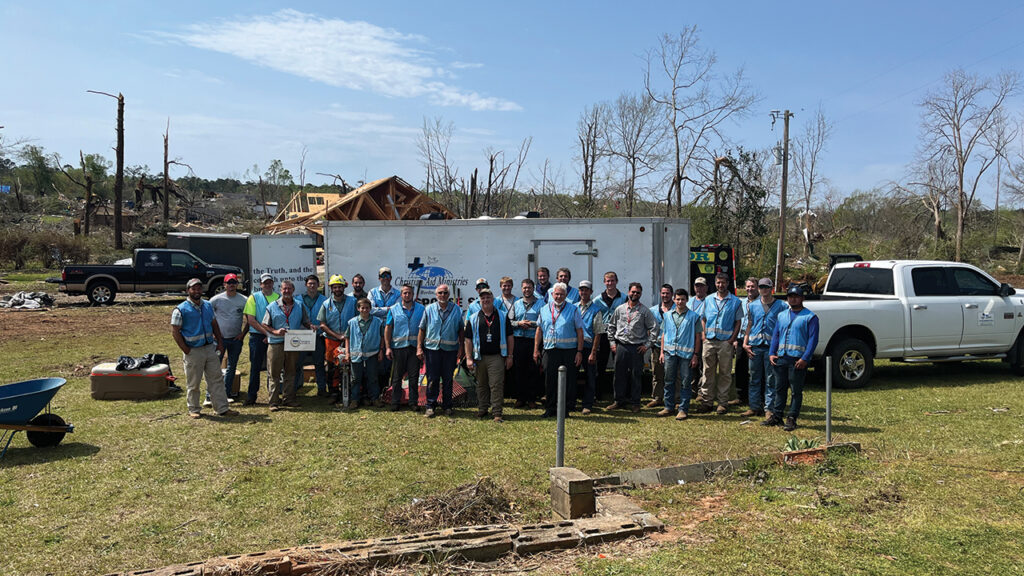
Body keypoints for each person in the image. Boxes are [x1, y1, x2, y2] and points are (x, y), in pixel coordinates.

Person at [171, 278, 238, 419]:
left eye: (199, 288)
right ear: (187, 290)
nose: (197, 291)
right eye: (193, 288)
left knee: (216, 379)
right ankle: (194, 409)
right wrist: (186, 349)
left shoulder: (207, 305)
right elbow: (175, 331)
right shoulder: (180, 309)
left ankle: (222, 408)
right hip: (193, 350)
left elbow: (214, 325)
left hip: (209, 348)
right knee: (194, 382)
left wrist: (219, 342)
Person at [768, 285, 820, 431]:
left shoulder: (810, 317)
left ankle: (792, 417)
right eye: (790, 296)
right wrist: (772, 352)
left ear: (802, 298)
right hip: (782, 357)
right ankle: (777, 415)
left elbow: (813, 339)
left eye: (796, 296)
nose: (793, 299)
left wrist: (805, 358)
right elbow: (776, 335)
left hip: (797, 360)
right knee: (780, 388)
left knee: (796, 390)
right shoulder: (782, 315)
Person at [534, 282, 585, 418]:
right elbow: (539, 330)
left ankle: (566, 409)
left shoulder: (573, 309)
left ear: (566, 295)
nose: (558, 296)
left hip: (569, 351)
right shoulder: (544, 309)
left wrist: (579, 352)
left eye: (562, 294)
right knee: (550, 380)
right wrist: (536, 350)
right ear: (552, 294)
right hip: (550, 350)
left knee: (568, 381)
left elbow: (580, 331)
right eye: (556, 294)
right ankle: (550, 408)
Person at [696, 273, 744, 415]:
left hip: (725, 342)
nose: (720, 285)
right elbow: (703, 319)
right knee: (707, 372)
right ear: (715, 283)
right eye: (718, 283)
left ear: (727, 283)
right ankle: (707, 402)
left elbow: (738, 322)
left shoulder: (735, 301)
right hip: (709, 341)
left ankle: (722, 403)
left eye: (723, 282)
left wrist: (732, 340)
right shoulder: (709, 299)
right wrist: (704, 336)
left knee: (725, 373)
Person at [261, 279, 312, 411]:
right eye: (284, 289)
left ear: (293, 290)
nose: (287, 291)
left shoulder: (300, 305)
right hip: (276, 344)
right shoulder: (272, 306)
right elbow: (264, 324)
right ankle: (273, 402)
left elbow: (305, 321)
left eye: (289, 289)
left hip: (293, 343)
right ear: (280, 290)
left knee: (291, 372)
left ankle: (288, 399)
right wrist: (275, 332)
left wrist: (310, 326)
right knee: (274, 373)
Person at [464, 288, 514, 422]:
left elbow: (510, 336)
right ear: (479, 301)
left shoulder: (502, 316)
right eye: (483, 298)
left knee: (496, 384)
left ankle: (497, 412)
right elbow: (468, 339)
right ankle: (483, 409)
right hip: (479, 357)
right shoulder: (473, 318)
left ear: (493, 299)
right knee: (481, 385)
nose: (485, 300)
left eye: (488, 298)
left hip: (497, 357)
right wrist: (469, 358)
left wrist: (510, 356)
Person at [606, 282, 657, 412]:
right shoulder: (620, 309)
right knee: (619, 375)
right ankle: (619, 401)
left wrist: (647, 345)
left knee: (636, 376)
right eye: (633, 292)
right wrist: (612, 343)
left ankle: (635, 403)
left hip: (637, 348)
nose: (635, 294)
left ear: (640, 294)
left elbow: (655, 328)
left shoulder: (644, 311)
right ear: (628, 292)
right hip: (621, 346)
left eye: (638, 292)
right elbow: (611, 327)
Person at [417, 283, 464, 418]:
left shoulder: (457, 310)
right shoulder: (429, 309)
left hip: (450, 351)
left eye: (445, 293)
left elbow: (461, 330)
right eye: (440, 293)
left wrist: (461, 348)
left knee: (448, 379)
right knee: (432, 379)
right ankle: (430, 406)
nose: (442, 295)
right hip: (432, 351)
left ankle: (447, 406)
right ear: (436, 295)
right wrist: (419, 347)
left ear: (449, 295)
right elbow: (422, 329)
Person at [743, 278, 787, 420]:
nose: (764, 290)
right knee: (754, 378)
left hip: (771, 348)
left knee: (770, 379)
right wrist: (745, 342)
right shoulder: (753, 306)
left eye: (766, 287)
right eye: (761, 287)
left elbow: (784, 326)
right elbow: (749, 324)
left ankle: (769, 408)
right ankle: (754, 406)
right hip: (755, 346)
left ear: (771, 288)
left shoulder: (781, 306)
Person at [660, 289, 703, 420]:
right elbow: (663, 334)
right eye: (677, 299)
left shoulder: (694, 317)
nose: (680, 302)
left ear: (687, 300)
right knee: (668, 380)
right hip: (669, 353)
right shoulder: (667, 315)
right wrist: (662, 352)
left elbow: (697, 337)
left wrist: (695, 355)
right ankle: (668, 407)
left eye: (682, 299)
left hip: (686, 355)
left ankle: (683, 409)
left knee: (685, 382)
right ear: (674, 300)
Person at [385, 284, 426, 411]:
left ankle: (413, 402)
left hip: (414, 348)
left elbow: (424, 328)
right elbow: (388, 328)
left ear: (413, 294)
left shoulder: (421, 309)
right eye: (404, 293)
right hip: (398, 348)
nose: (407, 295)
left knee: (414, 377)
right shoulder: (393, 309)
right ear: (401, 295)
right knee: (397, 377)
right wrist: (387, 347)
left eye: (409, 293)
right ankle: (395, 401)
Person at [207, 272, 246, 403]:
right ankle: (209, 396)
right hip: (219, 340)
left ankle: (226, 393)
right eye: (229, 283)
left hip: (236, 339)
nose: (231, 285)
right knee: (214, 367)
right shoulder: (216, 299)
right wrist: (212, 333)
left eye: (234, 283)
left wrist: (243, 333)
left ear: (237, 284)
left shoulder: (243, 300)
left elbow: (250, 318)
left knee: (231, 367)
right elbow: (207, 316)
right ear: (224, 284)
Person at [319, 275, 358, 402]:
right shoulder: (326, 304)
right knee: (332, 367)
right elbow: (322, 324)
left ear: (344, 287)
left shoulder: (353, 301)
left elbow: (359, 319)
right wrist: (336, 335)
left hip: (350, 339)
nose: (337, 289)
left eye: (339, 286)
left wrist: (347, 335)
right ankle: (334, 392)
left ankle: (353, 391)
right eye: (335, 287)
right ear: (331, 288)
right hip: (331, 339)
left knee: (353, 365)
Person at [242, 273, 280, 406]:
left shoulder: (278, 297)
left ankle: (274, 396)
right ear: (261, 284)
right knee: (255, 368)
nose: (268, 285)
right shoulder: (253, 298)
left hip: (274, 336)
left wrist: (271, 334)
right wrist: (267, 333)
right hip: (257, 336)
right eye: (265, 283)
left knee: (274, 368)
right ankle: (251, 396)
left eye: (270, 282)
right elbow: (251, 320)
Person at [345, 298, 384, 410]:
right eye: (362, 308)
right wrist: (347, 353)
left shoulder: (377, 321)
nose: (365, 310)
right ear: (358, 309)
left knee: (373, 377)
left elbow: (382, 337)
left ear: (370, 309)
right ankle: (355, 399)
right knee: (355, 378)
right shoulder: (352, 322)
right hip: (356, 354)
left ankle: (375, 398)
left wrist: (381, 350)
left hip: (372, 354)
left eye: (367, 308)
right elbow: (347, 337)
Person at [511, 278, 544, 408]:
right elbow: (510, 322)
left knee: (533, 370)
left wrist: (532, 324)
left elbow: (543, 322)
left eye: (529, 287)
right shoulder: (516, 304)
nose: (527, 290)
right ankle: (520, 398)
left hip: (533, 341)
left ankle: (531, 399)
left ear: (533, 288)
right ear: (521, 289)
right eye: (524, 288)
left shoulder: (541, 304)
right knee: (519, 370)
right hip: (518, 340)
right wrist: (519, 323)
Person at [295, 274, 328, 396]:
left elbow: (327, 319)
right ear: (306, 285)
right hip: (302, 336)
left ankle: (322, 389)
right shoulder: (298, 299)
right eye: (310, 283)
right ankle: (296, 387)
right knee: (298, 363)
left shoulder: (324, 300)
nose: (312, 286)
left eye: (314, 283)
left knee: (319, 363)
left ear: (318, 285)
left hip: (318, 336)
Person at [575, 280, 604, 415]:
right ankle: (572, 401)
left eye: (586, 290)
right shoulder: (573, 307)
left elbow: (598, 332)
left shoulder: (596, 310)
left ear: (591, 292)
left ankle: (587, 404)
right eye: (581, 290)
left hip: (588, 347)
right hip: (574, 347)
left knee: (590, 376)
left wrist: (593, 352)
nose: (583, 292)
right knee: (572, 376)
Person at [595, 271, 627, 392]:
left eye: (612, 280)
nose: (610, 283)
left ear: (616, 281)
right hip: (603, 335)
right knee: (600, 364)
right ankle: (598, 392)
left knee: (619, 364)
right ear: (604, 282)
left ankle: (619, 392)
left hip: (618, 335)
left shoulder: (623, 298)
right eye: (607, 281)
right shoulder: (597, 300)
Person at [644, 284, 674, 409]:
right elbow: (648, 328)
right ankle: (657, 398)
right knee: (657, 373)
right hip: (656, 347)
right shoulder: (653, 311)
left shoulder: (677, 309)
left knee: (673, 375)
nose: (665, 295)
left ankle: (674, 398)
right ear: (659, 294)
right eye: (663, 293)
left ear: (672, 294)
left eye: (667, 293)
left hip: (672, 347)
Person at [732, 277, 760, 406]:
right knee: (740, 368)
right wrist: (736, 339)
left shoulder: (762, 303)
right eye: (748, 286)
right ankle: (741, 396)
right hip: (741, 338)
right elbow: (737, 321)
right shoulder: (741, 302)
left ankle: (758, 398)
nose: (750, 289)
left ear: (758, 288)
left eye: (752, 286)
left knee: (756, 370)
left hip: (755, 340)